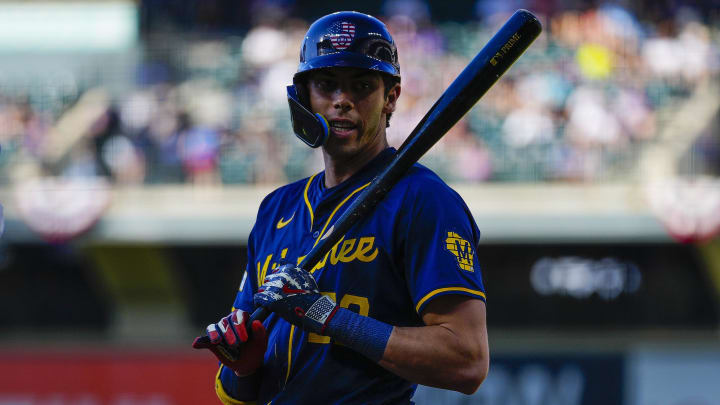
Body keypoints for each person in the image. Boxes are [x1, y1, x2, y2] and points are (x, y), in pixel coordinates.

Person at [193, 11, 489, 404]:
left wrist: (324, 315)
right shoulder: (276, 208)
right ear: (303, 96)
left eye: (362, 85)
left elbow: (467, 361)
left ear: (391, 98)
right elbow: (235, 396)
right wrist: (244, 368)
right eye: (326, 84)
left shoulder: (424, 200)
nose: (342, 101)